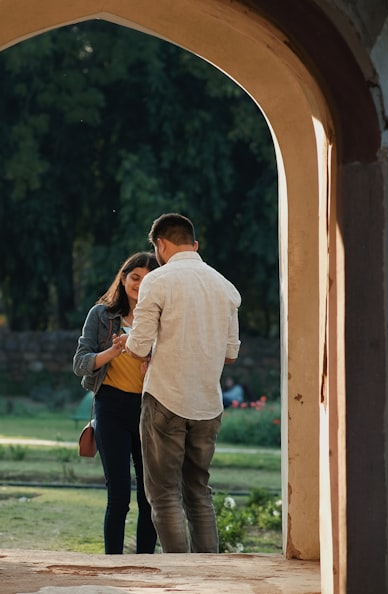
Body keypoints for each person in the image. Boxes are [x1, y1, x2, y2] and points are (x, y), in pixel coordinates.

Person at [120, 213, 242, 553]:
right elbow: (230, 355)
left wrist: (136, 347)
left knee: (164, 494)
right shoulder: (224, 286)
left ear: (160, 244)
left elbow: (138, 347)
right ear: (194, 245)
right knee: (198, 491)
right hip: (207, 404)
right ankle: (209, 574)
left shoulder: (157, 282)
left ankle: (183, 575)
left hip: (165, 399)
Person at [73, 251, 160, 555]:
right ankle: (112, 563)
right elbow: (80, 363)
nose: (140, 284)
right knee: (119, 495)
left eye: (148, 279)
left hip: (149, 409)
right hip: (110, 408)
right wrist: (113, 352)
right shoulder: (101, 315)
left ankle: (145, 564)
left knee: (149, 495)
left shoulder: (161, 318)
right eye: (135, 277)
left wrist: (152, 362)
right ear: (123, 279)